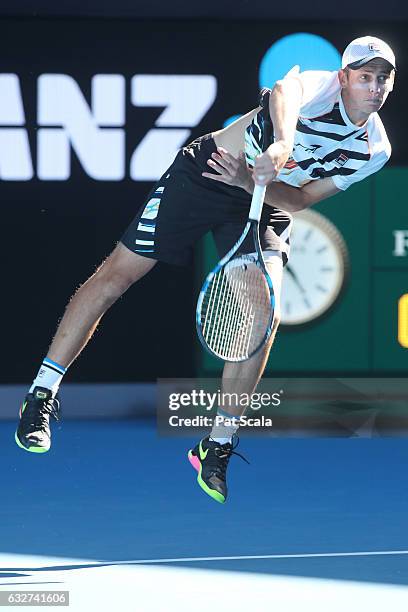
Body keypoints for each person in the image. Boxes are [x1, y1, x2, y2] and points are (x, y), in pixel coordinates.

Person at [16, 36, 395, 504]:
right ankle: (41, 394)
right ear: (344, 78)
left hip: (263, 197)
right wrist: (279, 144)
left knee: (265, 317)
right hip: (209, 173)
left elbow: (298, 199)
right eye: (364, 76)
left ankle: (216, 442)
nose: (373, 86)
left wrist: (253, 180)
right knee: (117, 275)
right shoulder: (319, 89)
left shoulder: (374, 151)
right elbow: (283, 91)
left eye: (382, 78)